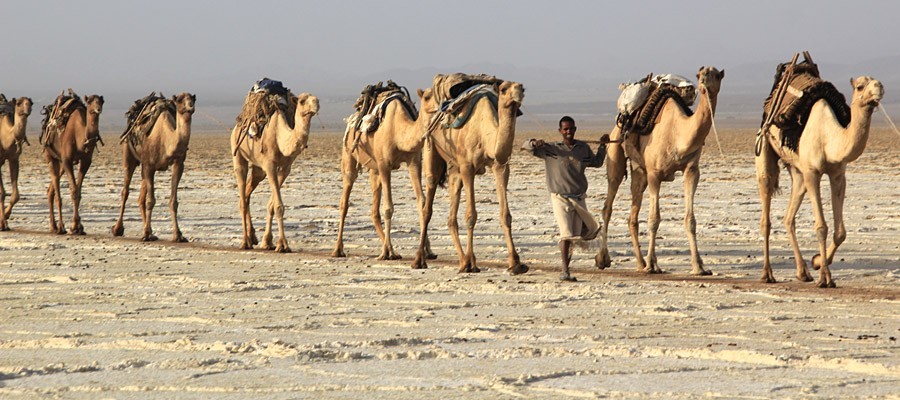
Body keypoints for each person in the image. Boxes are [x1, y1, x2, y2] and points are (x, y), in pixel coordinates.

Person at [523, 116, 610, 281]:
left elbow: (597, 163)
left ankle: (567, 269)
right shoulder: (550, 149)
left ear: (575, 129)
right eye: (565, 129)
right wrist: (533, 143)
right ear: (560, 131)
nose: (568, 132)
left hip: (578, 198)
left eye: (571, 129)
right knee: (566, 234)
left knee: (575, 236)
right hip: (560, 197)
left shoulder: (582, 148)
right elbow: (525, 146)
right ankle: (564, 270)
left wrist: (603, 146)